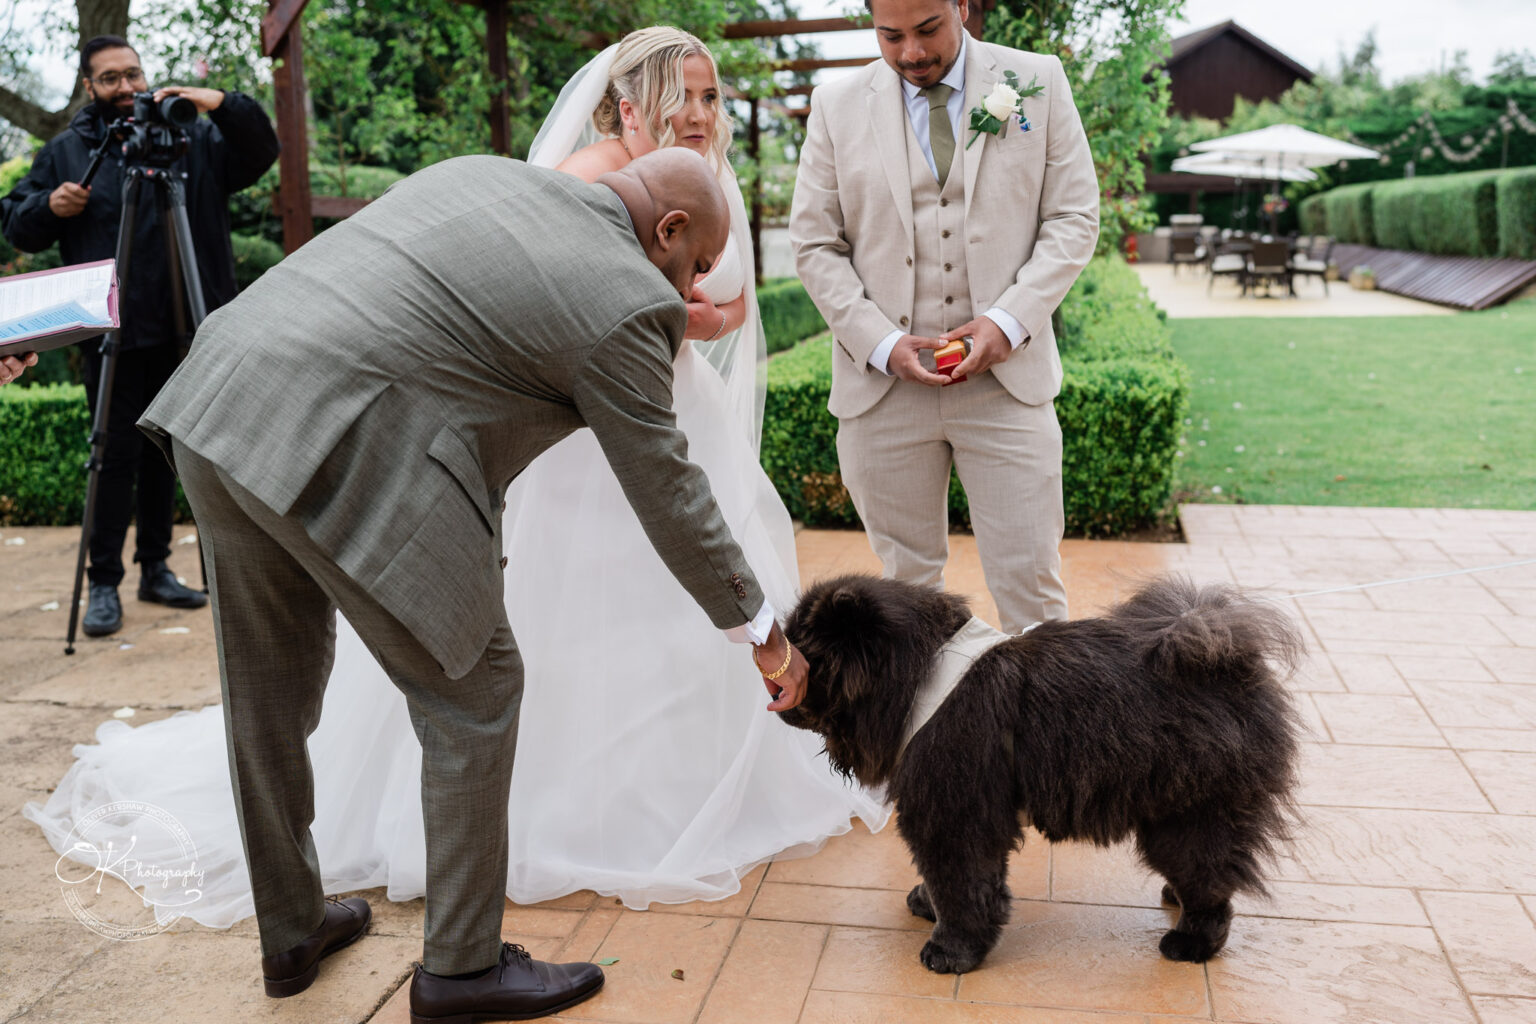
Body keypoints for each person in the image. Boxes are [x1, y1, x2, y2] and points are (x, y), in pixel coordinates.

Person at [788, 0, 1099, 633]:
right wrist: (879, 342)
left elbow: (1073, 218)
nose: (911, 53)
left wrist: (1008, 322)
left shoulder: (1036, 80)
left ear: (961, 6)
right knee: (903, 599)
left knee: (1032, 586)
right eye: (890, 35)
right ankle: (926, 733)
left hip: (1007, 390)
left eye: (928, 29)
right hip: (883, 395)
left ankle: (1043, 734)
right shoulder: (836, 105)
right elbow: (815, 243)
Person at [0, 35, 279, 637]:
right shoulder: (68, 152)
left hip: (191, 332)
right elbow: (16, 225)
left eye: (133, 74)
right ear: (88, 87)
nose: (126, 87)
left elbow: (260, 151)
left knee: (169, 458)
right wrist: (50, 206)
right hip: (110, 334)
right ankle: (103, 584)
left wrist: (218, 101)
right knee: (112, 456)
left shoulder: (192, 135)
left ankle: (156, 569)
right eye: (110, 79)